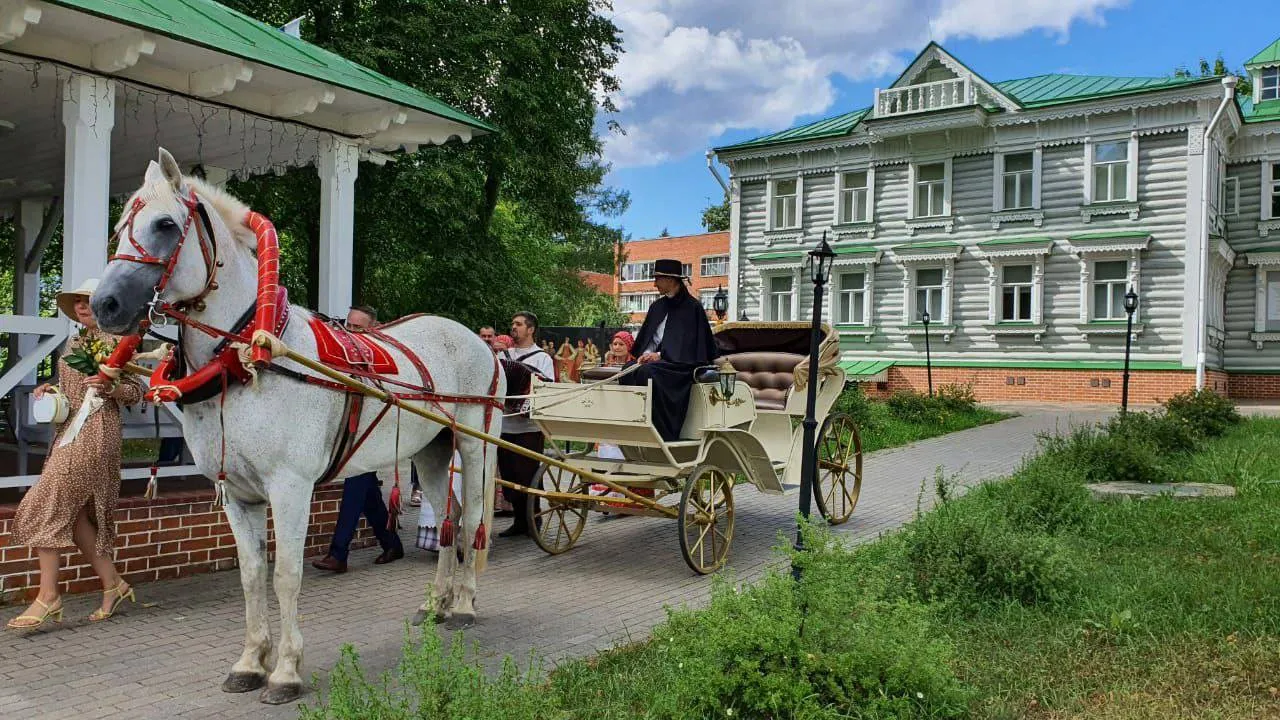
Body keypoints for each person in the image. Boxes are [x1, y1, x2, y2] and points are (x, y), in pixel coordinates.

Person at [7, 279, 144, 630]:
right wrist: (51, 386)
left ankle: (48, 597)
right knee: (80, 516)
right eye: (78, 302)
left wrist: (112, 387)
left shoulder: (120, 341)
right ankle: (114, 585)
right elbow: (70, 383)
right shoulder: (75, 341)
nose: (82, 306)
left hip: (97, 432)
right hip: (68, 431)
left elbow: (137, 391)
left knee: (45, 502)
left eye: (89, 301)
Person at [312, 306, 405, 573]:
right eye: (347, 325)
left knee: (355, 486)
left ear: (373, 328)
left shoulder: (381, 356)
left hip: (372, 433)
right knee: (367, 493)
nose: (349, 331)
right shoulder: (341, 349)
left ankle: (338, 554)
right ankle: (391, 542)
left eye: (357, 327)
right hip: (350, 432)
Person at [619, 259, 718, 442]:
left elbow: (688, 346)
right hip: (658, 363)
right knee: (627, 369)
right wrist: (646, 354)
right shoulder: (657, 307)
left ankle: (662, 431)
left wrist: (659, 356)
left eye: (658, 279)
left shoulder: (692, 308)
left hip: (682, 365)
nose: (654, 283)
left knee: (648, 373)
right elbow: (651, 339)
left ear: (672, 280)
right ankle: (633, 425)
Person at [496, 311, 556, 538]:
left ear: (530, 329)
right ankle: (519, 521)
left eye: (519, 324)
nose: (514, 327)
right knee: (510, 477)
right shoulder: (504, 355)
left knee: (529, 476)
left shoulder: (542, 358)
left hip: (529, 427)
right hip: (504, 424)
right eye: (512, 323)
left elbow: (546, 388)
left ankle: (534, 521)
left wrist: (526, 403)